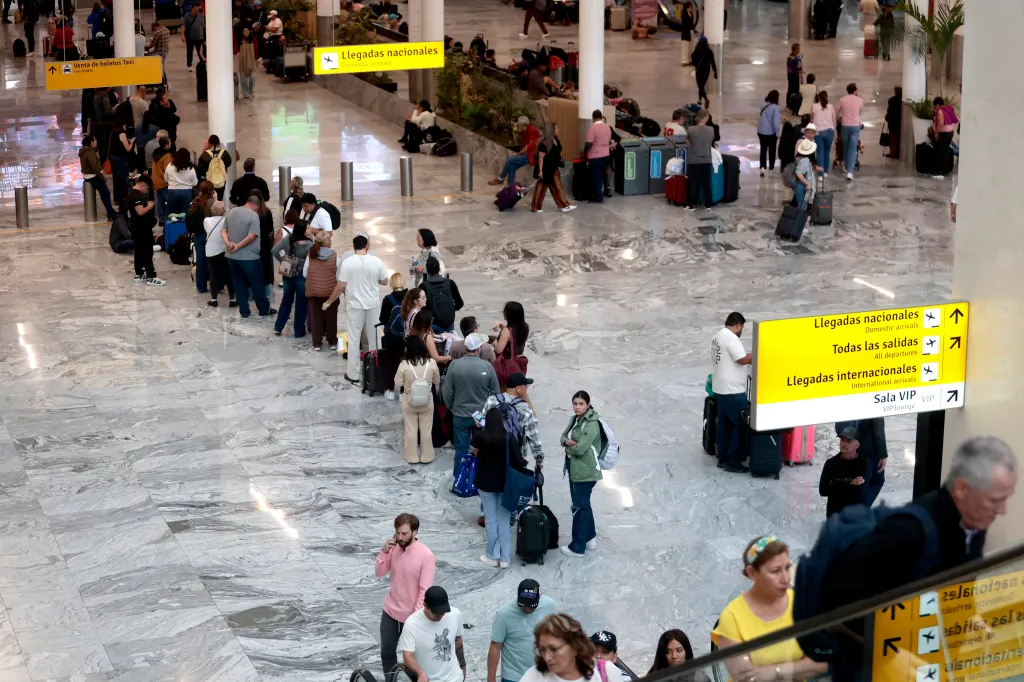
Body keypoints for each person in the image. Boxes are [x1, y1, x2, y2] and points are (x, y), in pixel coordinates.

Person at [713, 537, 829, 680]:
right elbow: (746, 676)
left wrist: (775, 671)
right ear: (751, 573)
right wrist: (799, 667)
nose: (785, 578)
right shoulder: (732, 617)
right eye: (775, 571)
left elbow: (822, 662)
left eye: (787, 568)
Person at [376, 513, 436, 682]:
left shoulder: (426, 555)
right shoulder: (393, 547)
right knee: (387, 654)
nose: (400, 537)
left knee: (412, 660)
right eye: (398, 533)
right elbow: (379, 572)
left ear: (415, 532)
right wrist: (384, 552)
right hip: (390, 611)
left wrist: (415, 619)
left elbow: (424, 590)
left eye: (404, 534)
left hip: (411, 616)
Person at [475, 397, 529, 562]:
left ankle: (492, 555)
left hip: (485, 484)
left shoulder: (480, 437)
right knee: (504, 522)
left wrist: (479, 426)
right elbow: (519, 461)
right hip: (505, 485)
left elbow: (474, 450)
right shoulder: (509, 438)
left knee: (490, 521)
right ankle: (505, 558)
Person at [331, 234, 388, 381]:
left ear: (353, 246)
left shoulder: (347, 263)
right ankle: (376, 372)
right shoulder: (376, 261)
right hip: (372, 305)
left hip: (355, 306)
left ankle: (353, 374)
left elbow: (341, 285)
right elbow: (384, 281)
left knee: (354, 340)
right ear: (367, 245)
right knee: (375, 338)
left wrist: (329, 301)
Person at [442, 333, 499, 476]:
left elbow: (447, 391)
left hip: (460, 414)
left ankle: (459, 478)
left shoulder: (454, 365)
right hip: (480, 415)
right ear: (479, 349)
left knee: (461, 449)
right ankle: (480, 477)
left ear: (466, 348)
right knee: (482, 447)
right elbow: (495, 393)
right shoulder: (487, 366)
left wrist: (452, 407)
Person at [557, 390, 602, 558]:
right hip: (575, 468)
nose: (577, 407)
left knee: (579, 506)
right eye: (575, 403)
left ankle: (578, 546)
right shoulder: (575, 419)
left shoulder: (591, 424)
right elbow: (562, 436)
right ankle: (589, 537)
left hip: (585, 471)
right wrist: (565, 441)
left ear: (588, 405)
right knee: (584, 503)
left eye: (581, 404)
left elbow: (581, 448)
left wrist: (568, 447)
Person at [520, 614, 624, 682]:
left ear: (574, 646)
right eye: (542, 650)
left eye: (554, 649)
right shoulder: (534, 676)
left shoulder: (604, 672)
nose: (547, 657)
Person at [489, 580, 557, 682]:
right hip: (515, 676)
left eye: (531, 605)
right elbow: (495, 646)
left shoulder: (549, 605)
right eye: (524, 605)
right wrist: (491, 679)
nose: (527, 609)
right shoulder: (504, 614)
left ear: (539, 597)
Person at [711, 312, 752, 473]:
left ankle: (722, 457)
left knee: (725, 424)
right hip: (732, 390)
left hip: (720, 388)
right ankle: (733, 460)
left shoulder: (717, 337)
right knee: (742, 423)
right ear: (737, 325)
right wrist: (760, 354)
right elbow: (742, 359)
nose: (741, 330)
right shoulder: (731, 337)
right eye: (741, 327)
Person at [222, 196, 275, 318]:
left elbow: (223, 231)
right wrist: (238, 246)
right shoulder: (253, 215)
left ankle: (244, 310)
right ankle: (263, 308)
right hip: (250, 258)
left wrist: (229, 244)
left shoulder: (232, 212)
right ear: (256, 205)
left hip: (231, 256)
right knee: (257, 283)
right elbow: (252, 236)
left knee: (239, 283)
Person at [398, 586, 465, 682]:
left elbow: (458, 641)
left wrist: (463, 667)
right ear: (425, 605)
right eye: (437, 613)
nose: (441, 615)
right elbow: (408, 656)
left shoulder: (455, 614)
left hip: (455, 677)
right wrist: (420, 673)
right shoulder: (412, 624)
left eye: (444, 612)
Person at [395, 337, 441, 464]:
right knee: (426, 429)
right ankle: (427, 456)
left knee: (411, 429)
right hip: (427, 401)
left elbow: (397, 382)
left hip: (409, 400)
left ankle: (412, 457)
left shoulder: (404, 364)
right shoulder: (431, 363)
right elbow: (437, 381)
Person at [817, 426, 870, 517]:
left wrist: (834, 483)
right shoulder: (831, 463)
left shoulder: (864, 464)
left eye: (848, 441)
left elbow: (859, 492)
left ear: (857, 445)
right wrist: (850, 482)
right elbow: (823, 490)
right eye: (842, 440)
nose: (843, 444)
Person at [272, 218, 311, 337]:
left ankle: (278, 327)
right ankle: (299, 331)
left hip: (288, 275)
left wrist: (284, 261)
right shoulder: (309, 244)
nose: (310, 229)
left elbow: (274, 250)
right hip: (302, 278)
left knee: (286, 301)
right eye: (308, 227)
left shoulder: (288, 238)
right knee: (301, 305)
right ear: (303, 230)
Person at [303, 231, 340, 351]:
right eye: (329, 239)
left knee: (316, 317)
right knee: (331, 317)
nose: (331, 241)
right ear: (325, 242)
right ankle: (332, 342)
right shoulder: (334, 256)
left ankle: (316, 343)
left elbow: (305, 272)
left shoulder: (311, 254)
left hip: (313, 291)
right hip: (330, 292)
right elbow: (338, 275)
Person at [125, 176, 165, 286]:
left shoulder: (132, 194)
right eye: (146, 188)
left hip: (137, 228)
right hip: (142, 229)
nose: (146, 191)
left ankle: (139, 273)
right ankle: (151, 276)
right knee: (147, 252)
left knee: (139, 251)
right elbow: (140, 211)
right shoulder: (136, 196)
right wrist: (150, 206)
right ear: (142, 185)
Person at [531, 122, 577, 214]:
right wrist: (540, 171)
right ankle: (535, 207)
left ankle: (563, 205)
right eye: (556, 128)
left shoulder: (555, 139)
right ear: (552, 130)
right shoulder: (544, 142)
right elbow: (541, 157)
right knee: (541, 188)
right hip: (545, 169)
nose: (558, 130)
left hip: (553, 168)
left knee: (558, 186)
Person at [380, 272, 409, 399]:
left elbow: (383, 319)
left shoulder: (388, 299)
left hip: (391, 336)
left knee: (390, 362)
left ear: (392, 284)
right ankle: (404, 391)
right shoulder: (409, 298)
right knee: (405, 362)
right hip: (406, 336)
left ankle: (391, 390)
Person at [490, 116, 541, 187]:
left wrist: (517, 154)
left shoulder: (531, 130)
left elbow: (527, 148)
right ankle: (509, 186)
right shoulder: (524, 131)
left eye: (519, 125)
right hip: (527, 154)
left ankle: (500, 178)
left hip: (531, 155)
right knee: (512, 166)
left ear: (522, 125)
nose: (518, 126)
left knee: (510, 159)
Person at [204, 201, 236, 307]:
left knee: (213, 274)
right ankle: (232, 299)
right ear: (224, 210)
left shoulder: (207, 220)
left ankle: (214, 299)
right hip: (225, 249)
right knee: (229, 274)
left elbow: (207, 231)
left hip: (211, 250)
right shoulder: (227, 220)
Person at [79, 135, 118, 221]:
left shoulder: (85, 151)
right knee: (106, 193)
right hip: (92, 176)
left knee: (104, 193)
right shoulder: (89, 153)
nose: (96, 142)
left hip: (88, 175)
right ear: (91, 142)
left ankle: (110, 211)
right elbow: (95, 168)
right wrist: (103, 178)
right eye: (95, 140)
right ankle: (110, 213)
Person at [188, 180, 216, 293]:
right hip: (208, 233)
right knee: (212, 260)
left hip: (197, 234)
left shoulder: (195, 200)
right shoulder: (210, 202)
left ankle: (201, 286)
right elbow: (215, 216)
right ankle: (215, 284)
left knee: (200, 260)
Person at [422, 257, 463, 333]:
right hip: (448, 323)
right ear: (439, 269)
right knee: (450, 342)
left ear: (427, 271)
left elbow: (421, 309)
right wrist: (449, 309)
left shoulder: (423, 286)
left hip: (432, 325)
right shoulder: (450, 283)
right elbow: (460, 303)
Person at [246, 191, 275, 299]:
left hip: (251, 245)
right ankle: (267, 292)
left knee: (251, 269)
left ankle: (251, 293)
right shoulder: (266, 212)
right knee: (266, 268)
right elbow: (271, 230)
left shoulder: (249, 214)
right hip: (265, 245)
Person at [685, 109, 715, 209]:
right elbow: (711, 141)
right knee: (707, 183)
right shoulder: (711, 129)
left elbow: (688, 142)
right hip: (706, 159)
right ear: (705, 118)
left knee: (693, 183)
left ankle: (691, 204)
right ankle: (708, 204)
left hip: (693, 160)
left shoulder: (691, 129)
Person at [583, 109, 612, 203]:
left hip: (595, 156)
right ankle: (601, 193)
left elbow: (588, 144)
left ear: (593, 118)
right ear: (601, 117)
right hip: (606, 155)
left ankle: (597, 197)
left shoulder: (593, 128)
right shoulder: (607, 126)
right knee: (601, 175)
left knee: (596, 177)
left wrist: (585, 152)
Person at [837, 83, 864, 181]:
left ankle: (846, 166)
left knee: (846, 146)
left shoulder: (842, 100)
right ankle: (850, 172)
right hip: (855, 126)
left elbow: (838, 113)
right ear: (855, 91)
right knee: (853, 149)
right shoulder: (860, 100)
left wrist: (841, 118)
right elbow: (860, 112)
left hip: (845, 125)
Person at [107, 121, 136, 204]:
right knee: (123, 180)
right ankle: (124, 198)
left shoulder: (112, 132)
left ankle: (117, 198)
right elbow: (128, 149)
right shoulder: (122, 134)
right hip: (121, 159)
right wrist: (133, 141)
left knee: (116, 179)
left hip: (113, 157)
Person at [810, 91, 837, 176]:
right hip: (829, 132)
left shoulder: (814, 106)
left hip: (818, 132)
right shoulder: (831, 106)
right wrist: (834, 131)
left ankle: (820, 173)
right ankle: (825, 172)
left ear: (818, 98)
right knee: (827, 151)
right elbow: (834, 120)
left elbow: (811, 120)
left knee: (820, 152)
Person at [165, 148, 197, 217]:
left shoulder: (170, 166)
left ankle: (170, 227)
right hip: (186, 192)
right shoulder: (191, 169)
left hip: (172, 191)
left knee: (170, 214)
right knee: (185, 215)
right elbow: (195, 183)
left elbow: (166, 179)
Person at [198, 135, 232, 200]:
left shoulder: (205, 154)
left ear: (209, 143)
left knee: (208, 201)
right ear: (218, 143)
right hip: (221, 182)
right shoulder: (224, 153)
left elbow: (199, 168)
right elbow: (229, 163)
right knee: (219, 199)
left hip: (208, 183)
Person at [757, 91, 782, 177]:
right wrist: (778, 132)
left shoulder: (763, 104)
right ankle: (771, 168)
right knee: (772, 150)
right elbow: (776, 122)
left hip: (761, 131)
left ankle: (762, 168)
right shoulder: (775, 108)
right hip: (771, 132)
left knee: (763, 150)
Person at [690, 37, 718, 110]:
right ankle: (700, 100)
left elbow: (692, 59)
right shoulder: (709, 51)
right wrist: (715, 71)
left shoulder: (697, 50)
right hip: (706, 71)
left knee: (700, 86)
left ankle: (705, 99)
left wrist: (695, 65)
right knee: (701, 85)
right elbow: (713, 62)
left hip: (699, 70)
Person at [932, 96, 957, 169]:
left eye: (935, 106)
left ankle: (942, 171)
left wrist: (936, 131)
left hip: (944, 133)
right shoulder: (947, 109)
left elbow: (941, 123)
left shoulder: (940, 111)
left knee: (943, 152)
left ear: (937, 105)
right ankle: (947, 169)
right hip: (950, 132)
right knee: (946, 150)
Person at [793, 139, 816, 209]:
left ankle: (800, 218)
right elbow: (798, 172)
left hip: (799, 186)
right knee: (802, 208)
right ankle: (800, 219)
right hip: (802, 187)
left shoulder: (799, 158)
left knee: (802, 206)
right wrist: (806, 183)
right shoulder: (805, 160)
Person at [237, 26, 257, 99]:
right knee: (243, 78)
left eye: (247, 30)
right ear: (242, 33)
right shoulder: (239, 40)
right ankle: (245, 93)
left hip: (251, 60)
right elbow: (236, 49)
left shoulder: (253, 39)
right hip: (243, 60)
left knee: (252, 77)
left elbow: (256, 48)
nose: (246, 32)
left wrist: (257, 58)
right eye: (244, 31)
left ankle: (251, 90)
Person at [182, 4, 205, 70]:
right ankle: (189, 65)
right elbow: (183, 26)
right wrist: (182, 35)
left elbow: (202, 25)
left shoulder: (201, 15)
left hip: (199, 38)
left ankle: (202, 63)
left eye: (198, 9)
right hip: (190, 38)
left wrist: (203, 35)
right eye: (195, 9)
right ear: (192, 9)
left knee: (200, 52)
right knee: (189, 52)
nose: (197, 10)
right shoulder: (187, 16)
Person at [884, 85, 902, 159]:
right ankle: (898, 153)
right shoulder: (902, 100)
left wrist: (887, 118)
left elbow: (889, 111)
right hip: (900, 122)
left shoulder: (892, 100)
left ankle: (893, 153)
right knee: (899, 138)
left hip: (893, 122)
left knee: (893, 138)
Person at [785, 43, 803, 113]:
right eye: (799, 49)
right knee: (796, 90)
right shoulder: (797, 59)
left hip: (789, 75)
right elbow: (799, 69)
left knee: (790, 89)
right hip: (795, 76)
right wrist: (801, 78)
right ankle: (794, 104)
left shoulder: (789, 57)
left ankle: (788, 103)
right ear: (796, 50)